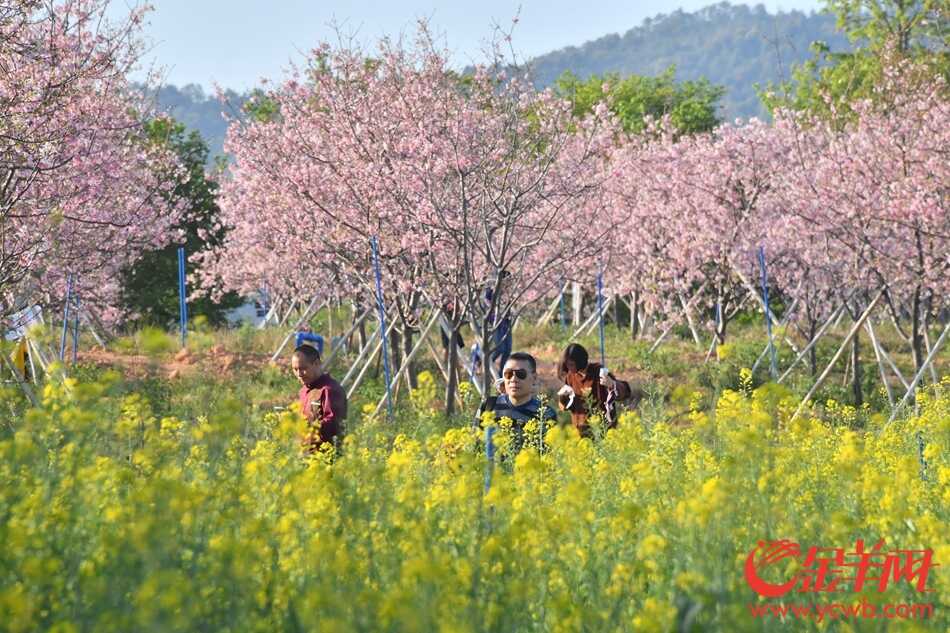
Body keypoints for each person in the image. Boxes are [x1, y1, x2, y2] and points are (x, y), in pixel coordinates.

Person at [476, 352, 556, 452]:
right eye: (508, 374)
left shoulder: (546, 413)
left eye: (521, 374)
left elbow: (549, 456)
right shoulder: (488, 406)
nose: (513, 379)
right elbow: (476, 447)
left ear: (534, 378)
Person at [556, 343, 640, 436]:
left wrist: (612, 384)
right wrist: (563, 398)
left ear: (580, 362)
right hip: (581, 432)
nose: (569, 368)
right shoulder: (570, 376)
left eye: (571, 365)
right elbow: (566, 406)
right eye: (567, 365)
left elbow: (625, 392)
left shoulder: (598, 372)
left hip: (602, 430)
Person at [292, 343, 347, 453]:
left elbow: (334, 425)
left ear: (316, 364)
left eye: (303, 368)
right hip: (306, 455)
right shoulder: (303, 391)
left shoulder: (329, 390)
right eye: (295, 369)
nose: (299, 374)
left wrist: (308, 427)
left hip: (326, 458)